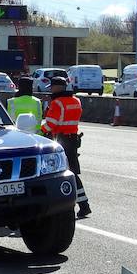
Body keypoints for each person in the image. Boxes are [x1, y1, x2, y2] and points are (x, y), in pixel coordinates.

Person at [42, 76, 90, 218]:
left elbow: (50, 125)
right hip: (73, 139)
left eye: (52, 86)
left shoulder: (57, 103)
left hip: (60, 140)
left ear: (57, 87)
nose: (50, 89)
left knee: (54, 172)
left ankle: (75, 205)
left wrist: (40, 129)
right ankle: (84, 204)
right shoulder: (76, 100)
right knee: (73, 172)